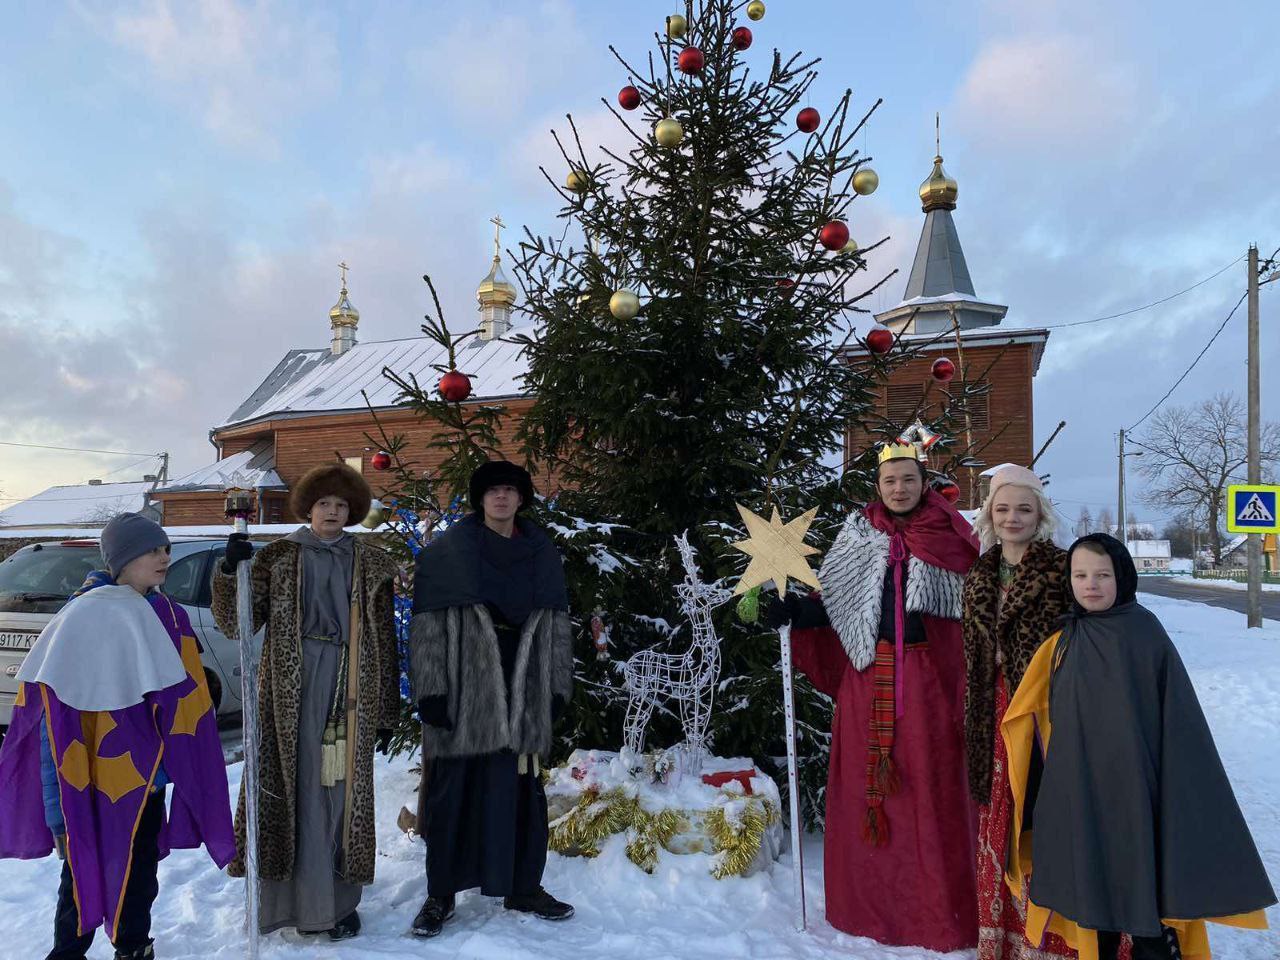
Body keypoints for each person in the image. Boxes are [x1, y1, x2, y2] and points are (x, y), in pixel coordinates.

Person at [1002, 534, 1276, 960]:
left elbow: (1176, 717)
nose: (1091, 584)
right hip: (1082, 787)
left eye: (1102, 575)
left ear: (1123, 577)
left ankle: (1156, 946)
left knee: (1146, 885)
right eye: (1080, 575)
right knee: (1094, 893)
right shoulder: (1064, 638)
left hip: (1139, 790)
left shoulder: (1144, 635)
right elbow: (1033, 710)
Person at [766, 440, 980, 951]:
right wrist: (795, 611)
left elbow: (977, 610)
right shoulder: (859, 533)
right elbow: (835, 601)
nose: (899, 489)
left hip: (930, 684)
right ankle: (871, 906)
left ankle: (938, 909)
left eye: (908, 479)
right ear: (878, 487)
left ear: (924, 483)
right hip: (869, 676)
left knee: (931, 784)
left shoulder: (952, 534)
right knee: (870, 787)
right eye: (890, 481)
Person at [0, 513, 234, 960]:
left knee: (140, 869)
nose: (164, 558)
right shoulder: (83, 616)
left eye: (166, 549)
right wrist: (55, 805)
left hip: (147, 781)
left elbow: (185, 701)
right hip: (88, 778)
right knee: (82, 866)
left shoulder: (167, 614)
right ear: (123, 559)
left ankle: (132, 945)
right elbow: (54, 723)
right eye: (152, 551)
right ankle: (68, 951)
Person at [212, 463, 399, 941]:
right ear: (308, 508)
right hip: (289, 690)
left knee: (340, 792)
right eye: (323, 504)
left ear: (352, 511)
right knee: (293, 787)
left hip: (350, 687)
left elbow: (384, 638)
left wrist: (384, 710)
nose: (332, 512)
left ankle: (337, 904)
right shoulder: (277, 558)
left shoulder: (371, 562)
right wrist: (231, 570)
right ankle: (287, 902)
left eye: (341, 505)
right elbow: (236, 622)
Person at [408, 460, 574, 938]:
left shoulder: (541, 552)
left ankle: (524, 886)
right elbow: (427, 627)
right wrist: (431, 688)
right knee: (452, 796)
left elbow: (556, 624)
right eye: (493, 490)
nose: (501, 497)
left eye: (510, 490)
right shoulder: (449, 553)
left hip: (524, 684)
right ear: (480, 499)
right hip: (465, 685)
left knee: (521, 792)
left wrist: (557, 684)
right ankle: (440, 895)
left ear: (521, 498)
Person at [961, 465, 1075, 960]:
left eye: (1023, 509)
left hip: (1045, 716)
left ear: (1039, 514)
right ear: (989, 515)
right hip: (992, 712)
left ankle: (1052, 940)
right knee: (1000, 817)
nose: (1012, 518)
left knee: (1041, 816)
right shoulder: (979, 573)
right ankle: (1003, 934)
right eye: (1002, 509)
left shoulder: (1062, 568)